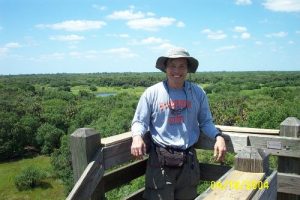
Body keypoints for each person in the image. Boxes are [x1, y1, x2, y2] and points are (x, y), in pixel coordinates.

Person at [130, 47, 227, 200]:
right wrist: (137, 137)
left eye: (182, 66)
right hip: (160, 163)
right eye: (172, 66)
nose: (177, 70)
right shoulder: (152, 93)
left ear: (188, 69)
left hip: (189, 162)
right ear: (165, 68)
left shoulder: (198, 93)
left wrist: (218, 136)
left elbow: (206, 122)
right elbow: (139, 121)